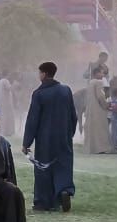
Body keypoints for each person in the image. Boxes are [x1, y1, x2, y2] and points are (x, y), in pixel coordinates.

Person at [23, 62, 78, 212]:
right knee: (63, 166)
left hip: (45, 139)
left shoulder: (39, 94)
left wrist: (26, 142)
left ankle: (43, 202)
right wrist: (69, 134)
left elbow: (33, 120)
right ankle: (64, 191)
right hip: (63, 137)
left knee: (44, 169)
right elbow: (74, 115)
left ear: (44, 74)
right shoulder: (66, 90)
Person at [83, 66, 113, 154]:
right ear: (96, 73)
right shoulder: (99, 82)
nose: (103, 74)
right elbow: (100, 97)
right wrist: (107, 106)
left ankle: (92, 148)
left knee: (92, 130)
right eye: (101, 72)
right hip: (98, 110)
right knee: (101, 129)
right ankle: (102, 148)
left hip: (90, 109)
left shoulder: (90, 83)